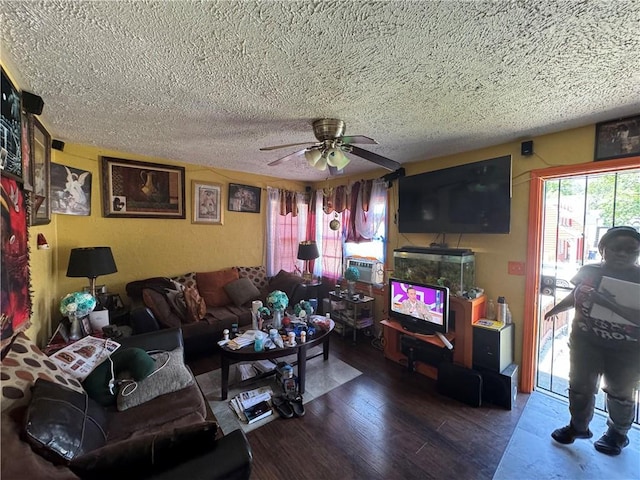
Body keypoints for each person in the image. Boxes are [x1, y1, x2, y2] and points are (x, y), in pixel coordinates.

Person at [544, 226, 640, 456]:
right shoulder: (589, 270)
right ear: (602, 249)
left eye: (631, 250)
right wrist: (556, 309)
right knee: (580, 388)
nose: (623, 254)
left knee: (621, 392)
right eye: (616, 248)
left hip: (627, 349)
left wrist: (607, 303)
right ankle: (578, 427)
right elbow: (576, 293)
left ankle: (617, 434)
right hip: (585, 341)